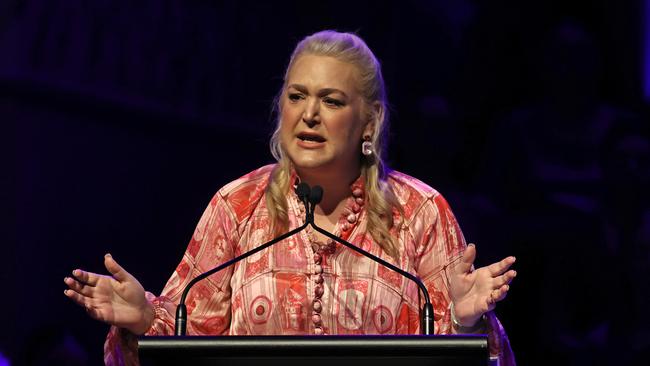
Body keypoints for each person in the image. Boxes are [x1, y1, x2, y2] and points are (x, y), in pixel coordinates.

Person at [64, 30, 517, 365]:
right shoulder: (237, 205)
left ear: (370, 122)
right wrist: (145, 319)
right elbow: (188, 336)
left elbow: (459, 355)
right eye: (297, 96)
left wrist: (465, 322)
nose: (310, 115)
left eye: (332, 101)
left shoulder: (420, 213)